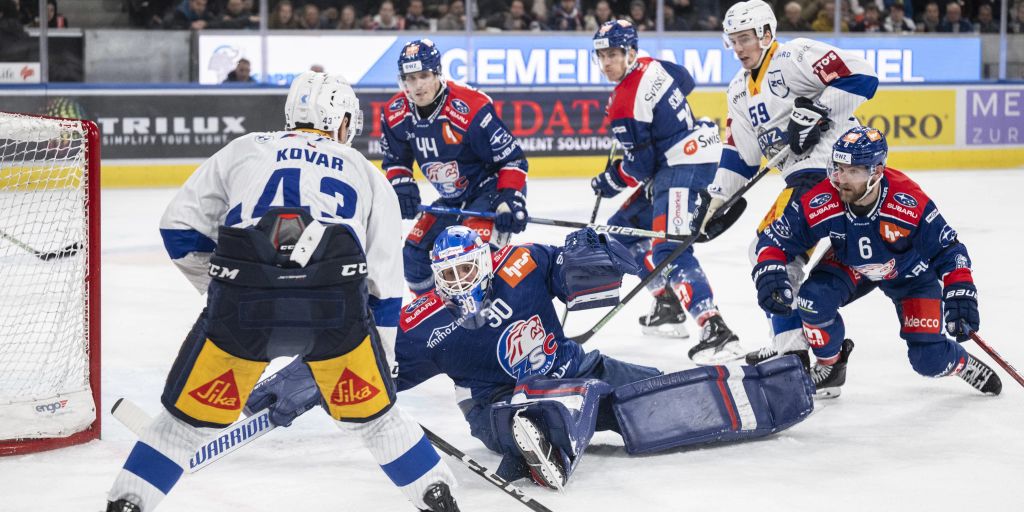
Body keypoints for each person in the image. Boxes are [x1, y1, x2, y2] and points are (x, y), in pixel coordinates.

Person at [104, 72, 460, 512]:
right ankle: (439, 501)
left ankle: (127, 505)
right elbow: (383, 286)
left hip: (243, 307)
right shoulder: (366, 174)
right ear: (338, 118)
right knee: (379, 424)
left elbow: (178, 229)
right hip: (335, 315)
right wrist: (381, 362)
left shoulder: (246, 147)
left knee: (181, 429)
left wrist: (222, 291)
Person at [247, 225, 815, 490]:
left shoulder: (521, 264)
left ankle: (765, 392)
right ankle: (536, 433)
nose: (456, 284)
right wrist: (297, 382)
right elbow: (362, 353)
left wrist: (596, 252)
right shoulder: (424, 322)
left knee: (656, 390)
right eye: (445, 277)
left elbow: (581, 277)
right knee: (531, 411)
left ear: (486, 263)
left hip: (572, 367)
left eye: (466, 271)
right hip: (497, 402)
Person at [693, 0, 878, 396]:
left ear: (765, 33)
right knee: (771, 254)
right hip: (802, 181)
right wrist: (715, 200)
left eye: (745, 38)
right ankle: (800, 354)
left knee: (769, 250)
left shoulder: (795, 56)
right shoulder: (739, 91)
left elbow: (863, 76)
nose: (739, 48)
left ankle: (791, 355)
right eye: (733, 41)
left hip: (833, 170)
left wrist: (817, 110)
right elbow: (741, 155)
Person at [751, 126, 1002, 397]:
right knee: (812, 300)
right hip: (851, 263)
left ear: (877, 173)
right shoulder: (825, 197)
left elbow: (949, 250)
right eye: (838, 167)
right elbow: (775, 239)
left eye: (853, 171)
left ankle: (961, 363)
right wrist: (769, 269)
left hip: (910, 275)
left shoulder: (907, 201)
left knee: (928, 360)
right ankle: (831, 368)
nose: (841, 178)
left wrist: (960, 291)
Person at [589, 19, 741, 363]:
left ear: (630, 52)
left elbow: (640, 167)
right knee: (620, 235)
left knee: (667, 249)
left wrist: (610, 180)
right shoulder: (653, 65)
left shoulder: (624, 103)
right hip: (679, 161)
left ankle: (715, 329)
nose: (606, 63)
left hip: (681, 167)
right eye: (601, 55)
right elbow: (686, 81)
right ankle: (667, 303)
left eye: (613, 54)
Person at [380, 38, 529, 296]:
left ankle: (490, 318)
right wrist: (402, 186)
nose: (417, 86)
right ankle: (439, 318)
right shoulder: (395, 112)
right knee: (413, 257)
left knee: (469, 260)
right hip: (452, 198)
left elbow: (513, 159)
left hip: (489, 192)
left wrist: (509, 198)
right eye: (410, 78)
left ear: (438, 73)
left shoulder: (471, 108)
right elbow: (395, 160)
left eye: (424, 76)